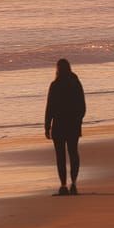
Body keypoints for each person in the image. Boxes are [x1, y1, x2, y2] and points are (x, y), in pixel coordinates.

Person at [44, 58, 86, 196]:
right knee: (73, 153)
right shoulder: (76, 83)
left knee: (60, 156)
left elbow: (49, 108)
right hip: (73, 125)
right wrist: (78, 120)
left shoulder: (55, 85)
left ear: (58, 69)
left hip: (59, 126)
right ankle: (73, 183)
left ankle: (63, 185)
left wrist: (47, 126)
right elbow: (82, 106)